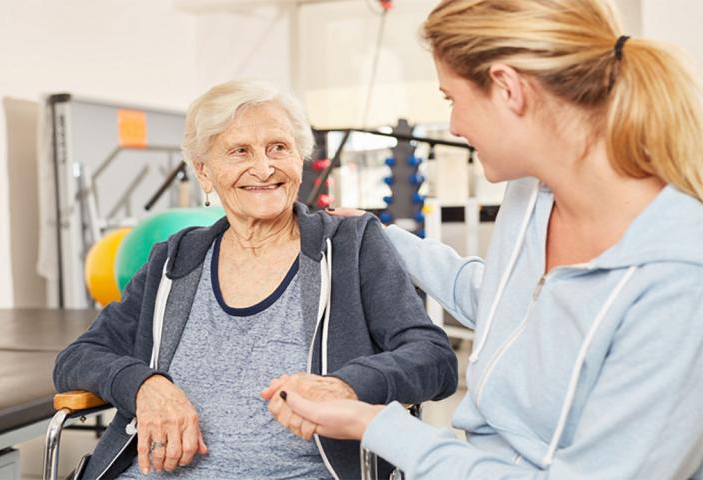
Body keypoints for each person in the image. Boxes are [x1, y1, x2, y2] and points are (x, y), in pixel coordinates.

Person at [264, 0, 703, 477]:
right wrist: (382, 237)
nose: (453, 125)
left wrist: (375, 424)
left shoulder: (678, 279)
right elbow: (508, 306)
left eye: (451, 99)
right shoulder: (531, 193)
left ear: (507, 88)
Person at [53, 79, 458, 480]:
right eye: (239, 151)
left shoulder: (350, 245)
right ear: (204, 173)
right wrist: (143, 385)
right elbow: (77, 358)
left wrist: (346, 386)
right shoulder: (176, 258)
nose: (263, 168)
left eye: (278, 148)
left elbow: (433, 358)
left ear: (300, 158)